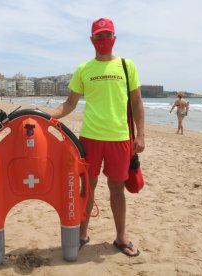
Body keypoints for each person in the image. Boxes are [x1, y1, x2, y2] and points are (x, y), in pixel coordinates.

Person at [49, 18, 145, 257]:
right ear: (92, 40)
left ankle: (121, 237)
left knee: (117, 189)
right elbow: (70, 103)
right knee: (87, 188)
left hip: (120, 137)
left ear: (115, 38)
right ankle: (82, 234)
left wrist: (140, 134)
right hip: (90, 138)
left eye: (108, 35)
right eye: (99, 36)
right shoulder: (84, 69)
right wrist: (48, 116)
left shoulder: (126, 65)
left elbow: (136, 101)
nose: (104, 40)